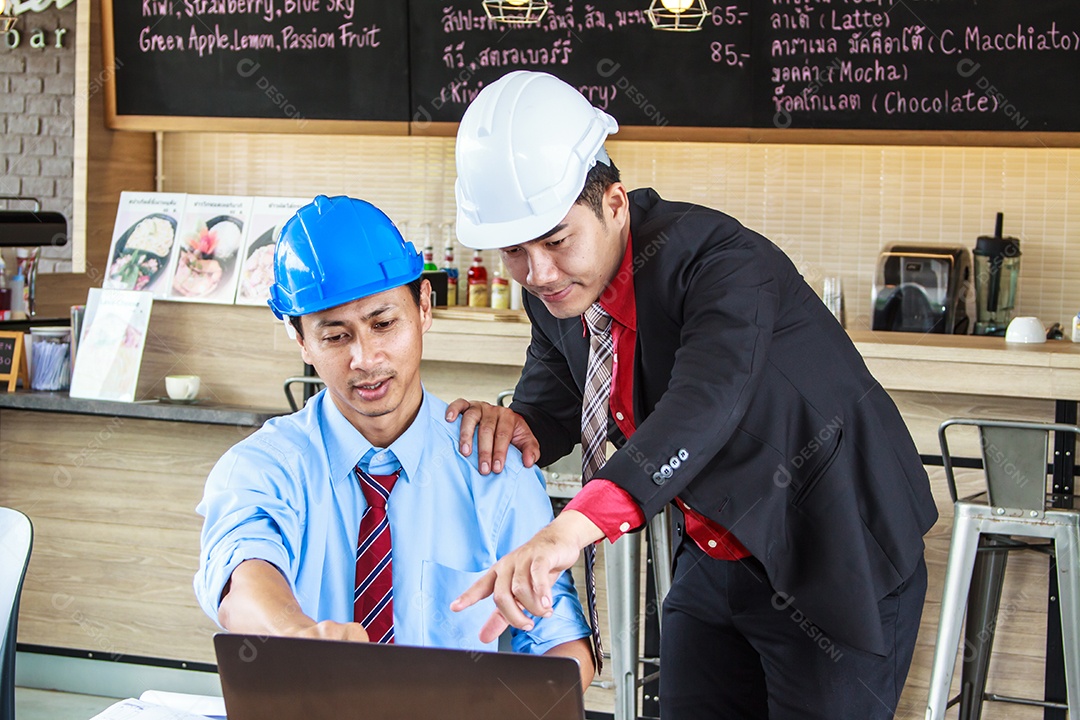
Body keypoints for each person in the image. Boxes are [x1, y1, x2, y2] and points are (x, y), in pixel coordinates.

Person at [447, 71, 938, 719]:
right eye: (515, 251)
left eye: (557, 240)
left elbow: (706, 404)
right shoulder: (560, 294)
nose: (538, 273)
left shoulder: (721, 264)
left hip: (834, 554)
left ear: (614, 203)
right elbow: (558, 393)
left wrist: (570, 530)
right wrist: (516, 426)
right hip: (715, 554)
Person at [194, 194, 594, 688]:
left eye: (384, 324)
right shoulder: (262, 467)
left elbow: (560, 644)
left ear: (424, 307)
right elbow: (243, 571)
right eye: (335, 336)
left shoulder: (494, 468)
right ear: (300, 340)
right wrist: (295, 633)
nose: (366, 357)